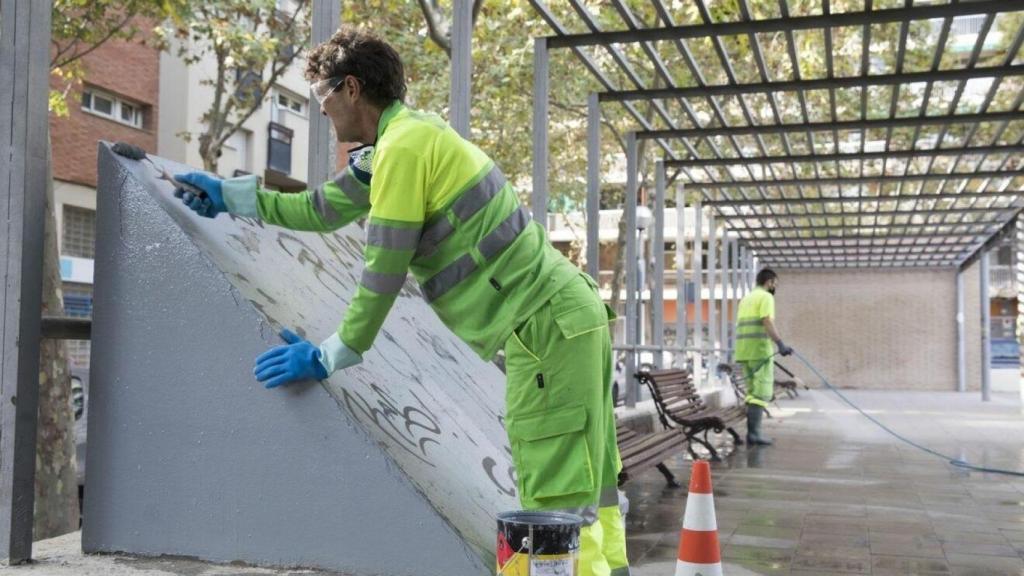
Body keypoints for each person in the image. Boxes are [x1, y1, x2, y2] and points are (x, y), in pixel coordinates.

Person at [171, 26, 629, 576]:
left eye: (321, 97)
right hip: (566, 316)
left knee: (553, 498)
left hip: (544, 327)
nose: (321, 112)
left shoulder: (402, 152)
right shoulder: (404, 140)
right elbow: (320, 210)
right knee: (591, 480)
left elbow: (383, 270)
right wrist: (232, 196)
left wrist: (330, 355)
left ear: (352, 89)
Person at [733, 268, 793, 446]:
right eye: (775, 283)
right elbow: (766, 320)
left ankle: (753, 433)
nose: (775, 287)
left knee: (752, 393)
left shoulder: (746, 298)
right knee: (761, 392)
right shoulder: (766, 297)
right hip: (759, 351)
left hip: (744, 351)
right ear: (770, 282)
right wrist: (780, 343)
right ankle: (754, 434)